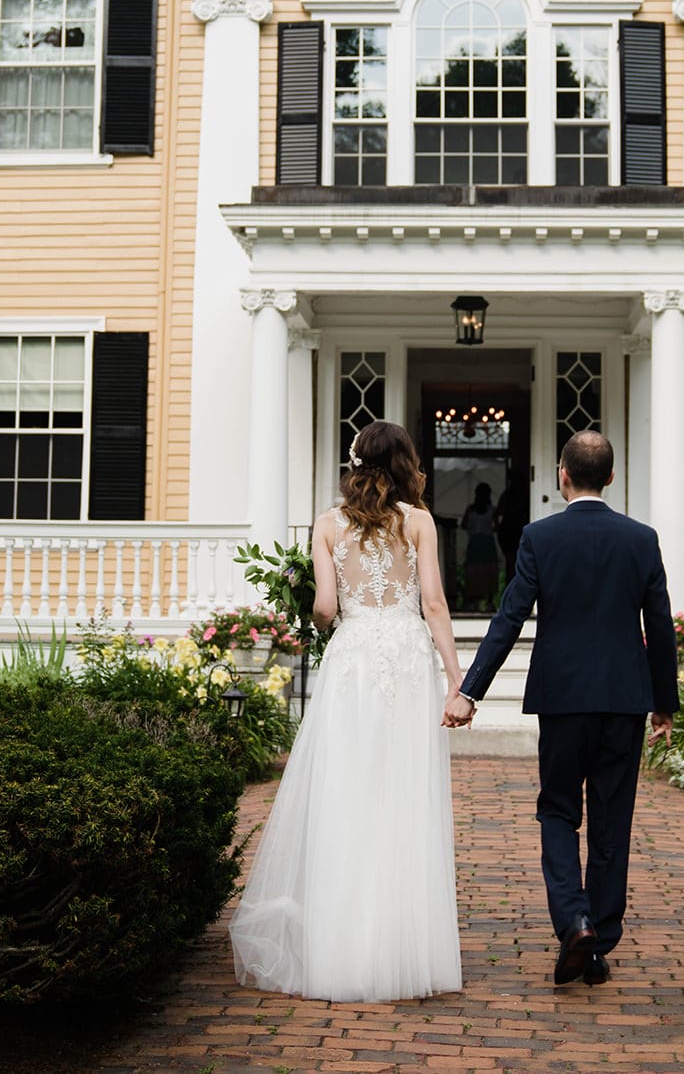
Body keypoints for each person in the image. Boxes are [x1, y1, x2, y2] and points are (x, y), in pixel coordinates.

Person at [229, 421, 464, 1001]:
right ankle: (403, 948)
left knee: (346, 792)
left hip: (354, 660)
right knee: (403, 794)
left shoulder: (329, 525)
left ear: (356, 462)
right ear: (405, 462)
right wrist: (458, 679)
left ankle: (341, 948)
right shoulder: (418, 521)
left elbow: (326, 608)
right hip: (407, 660)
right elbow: (433, 603)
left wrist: (319, 612)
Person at [445, 430, 677, 987]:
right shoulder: (641, 538)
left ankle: (574, 921)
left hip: (563, 698)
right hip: (624, 698)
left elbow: (509, 618)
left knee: (557, 811)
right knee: (611, 819)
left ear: (562, 475)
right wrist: (664, 702)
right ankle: (597, 939)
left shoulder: (539, 537)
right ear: (612, 479)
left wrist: (469, 689)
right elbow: (660, 626)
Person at [460, 483, 500, 608]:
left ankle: (476, 600)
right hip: (485, 542)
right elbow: (497, 526)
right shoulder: (491, 510)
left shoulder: (472, 509)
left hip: (477, 542)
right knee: (485, 570)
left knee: (477, 571)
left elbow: (463, 524)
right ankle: (487, 600)